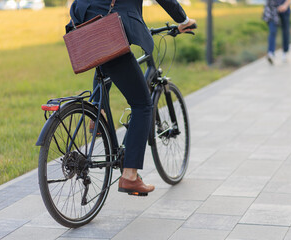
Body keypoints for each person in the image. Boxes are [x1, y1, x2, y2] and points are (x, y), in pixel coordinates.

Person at [66, 0, 196, 195]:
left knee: (106, 61)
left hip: (83, 21)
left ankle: (97, 113)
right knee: (143, 104)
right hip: (110, 23)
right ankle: (130, 176)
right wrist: (183, 20)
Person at [263, 0, 291, 64]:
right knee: (272, 31)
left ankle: (285, 52)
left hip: (284, 8)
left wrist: (285, 5)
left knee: (285, 32)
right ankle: (271, 53)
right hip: (272, 9)